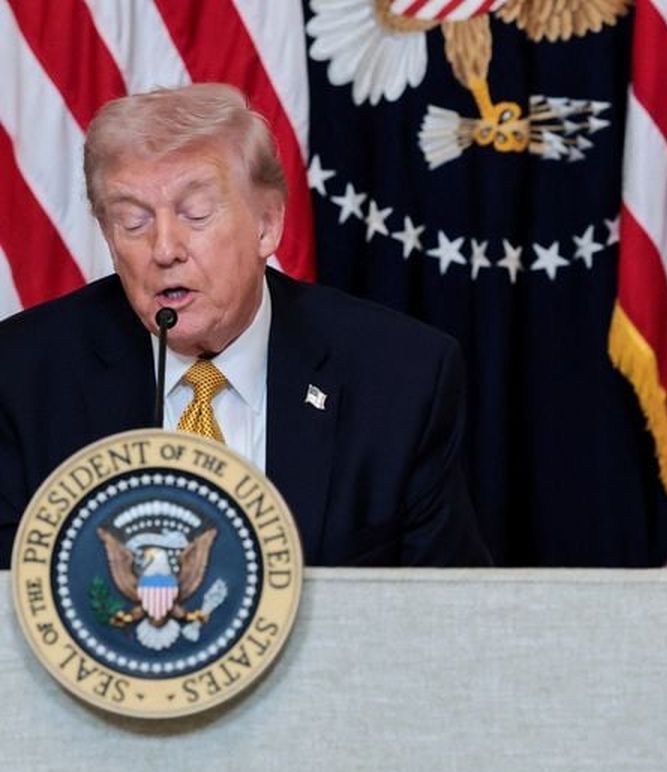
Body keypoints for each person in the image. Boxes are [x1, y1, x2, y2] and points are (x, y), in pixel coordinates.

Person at [0, 83, 490, 568]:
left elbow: (448, 617)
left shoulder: (399, 378)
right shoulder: (21, 376)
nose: (164, 248)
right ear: (107, 235)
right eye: (132, 222)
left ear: (267, 225)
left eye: (195, 214)